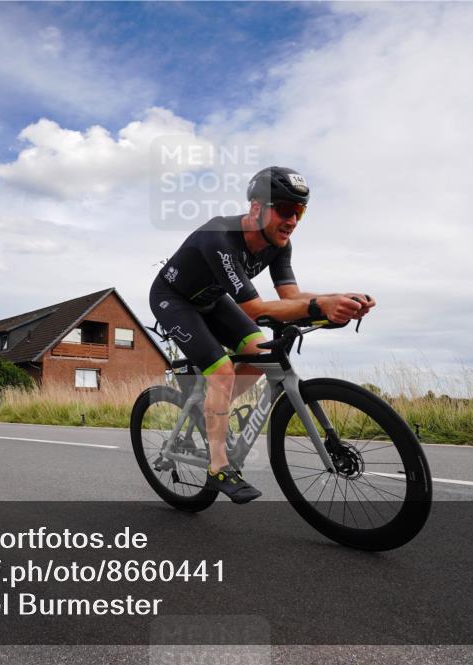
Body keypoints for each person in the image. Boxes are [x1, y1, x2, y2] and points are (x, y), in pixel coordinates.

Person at [149, 166, 376, 503]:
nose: (293, 221)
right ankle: (218, 466)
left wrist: (336, 299)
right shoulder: (220, 236)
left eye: (300, 212)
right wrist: (319, 307)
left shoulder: (279, 245)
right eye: (285, 210)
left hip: (212, 302)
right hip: (173, 299)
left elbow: (290, 297)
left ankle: (210, 409)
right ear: (256, 208)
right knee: (223, 372)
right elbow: (255, 309)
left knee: (260, 352)